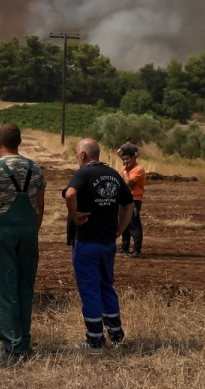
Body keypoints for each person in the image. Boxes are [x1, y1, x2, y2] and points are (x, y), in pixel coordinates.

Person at [0, 123, 46, 362]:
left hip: (3, 230)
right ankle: (24, 340)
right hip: (28, 231)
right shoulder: (35, 167)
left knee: (3, 288)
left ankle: (12, 347)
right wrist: (35, 226)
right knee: (25, 286)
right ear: (20, 142)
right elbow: (40, 202)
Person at [63, 138, 134, 350]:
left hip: (86, 242)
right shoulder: (113, 173)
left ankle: (95, 339)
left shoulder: (83, 173)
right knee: (106, 286)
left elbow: (70, 194)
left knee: (90, 290)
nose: (76, 156)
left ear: (83, 155)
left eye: (77, 153)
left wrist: (75, 217)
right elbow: (129, 203)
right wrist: (120, 229)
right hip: (107, 244)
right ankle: (116, 334)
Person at [117, 143, 146, 258]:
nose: (125, 161)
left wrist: (124, 173)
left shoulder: (138, 170)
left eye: (127, 159)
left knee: (134, 224)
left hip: (134, 200)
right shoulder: (125, 168)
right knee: (125, 223)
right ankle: (125, 246)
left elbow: (128, 182)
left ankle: (137, 250)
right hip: (124, 199)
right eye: (123, 159)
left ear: (134, 158)